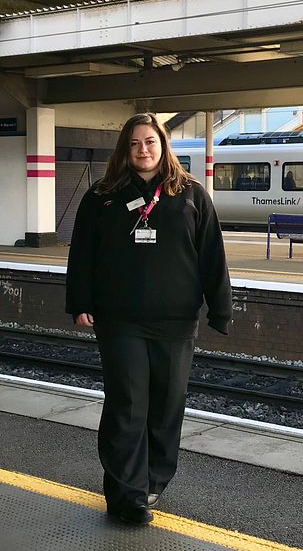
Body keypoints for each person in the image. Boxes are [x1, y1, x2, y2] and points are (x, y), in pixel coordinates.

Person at [65, 113, 232, 525]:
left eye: (150, 142)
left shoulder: (191, 195)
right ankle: (126, 495)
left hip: (175, 321)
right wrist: (80, 301)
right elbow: (82, 253)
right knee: (127, 404)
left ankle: (153, 480)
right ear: (125, 148)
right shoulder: (102, 196)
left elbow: (212, 253)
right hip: (119, 320)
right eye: (135, 142)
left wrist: (220, 307)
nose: (143, 149)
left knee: (166, 405)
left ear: (163, 145)